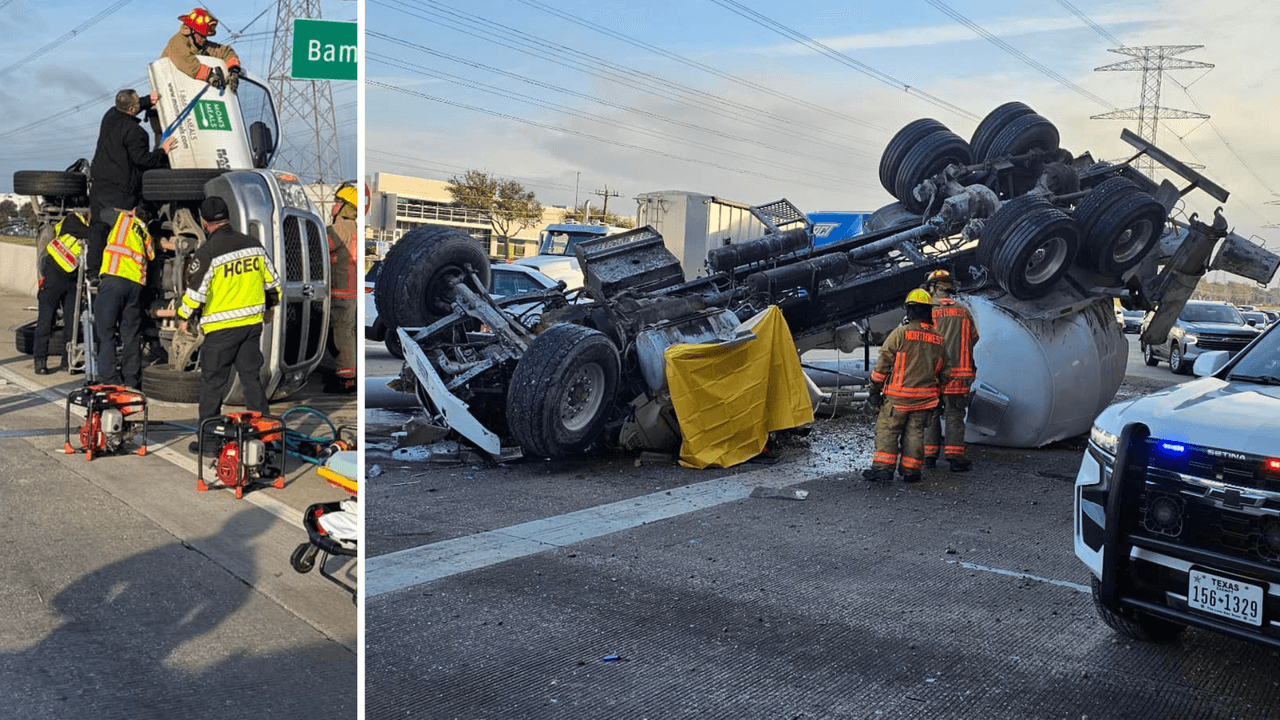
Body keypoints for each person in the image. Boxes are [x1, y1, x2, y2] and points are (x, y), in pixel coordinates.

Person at [178, 197, 281, 453]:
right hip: (251, 326)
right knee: (251, 381)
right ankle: (264, 438)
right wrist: (269, 308)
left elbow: (195, 294)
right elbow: (273, 284)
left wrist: (183, 316)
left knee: (213, 385)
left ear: (203, 222)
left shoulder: (207, 252)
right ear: (228, 218)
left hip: (221, 330)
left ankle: (209, 442)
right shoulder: (253, 245)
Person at [864, 289, 950, 483]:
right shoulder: (938, 339)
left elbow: (883, 363)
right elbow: (945, 373)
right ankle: (911, 471)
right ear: (928, 311)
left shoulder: (900, 334)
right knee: (915, 433)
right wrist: (939, 395)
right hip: (924, 399)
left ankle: (883, 469)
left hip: (898, 398)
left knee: (888, 431)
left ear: (910, 311)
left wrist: (874, 389)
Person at [88, 90, 174, 277]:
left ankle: (93, 274)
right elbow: (143, 160)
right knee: (122, 233)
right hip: (121, 192)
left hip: (99, 187)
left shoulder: (109, 117)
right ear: (132, 109)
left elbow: (128, 107)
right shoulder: (136, 132)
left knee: (98, 228)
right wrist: (162, 152)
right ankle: (118, 273)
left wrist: (146, 101)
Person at [922, 269, 980, 472]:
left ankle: (929, 456)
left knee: (931, 413)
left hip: (932, 375)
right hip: (959, 376)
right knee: (954, 415)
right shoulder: (963, 311)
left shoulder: (927, 312)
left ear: (933, 288)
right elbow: (974, 337)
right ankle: (955, 459)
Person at [94, 207, 156, 388]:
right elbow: (151, 256)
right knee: (131, 335)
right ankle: (131, 380)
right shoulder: (146, 235)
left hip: (114, 279)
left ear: (134, 211)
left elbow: (103, 212)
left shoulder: (123, 219)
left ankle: (109, 379)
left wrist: (126, 211)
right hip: (135, 286)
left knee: (106, 332)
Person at [34, 212, 89, 375]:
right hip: (53, 278)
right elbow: (85, 232)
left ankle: (67, 362)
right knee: (46, 321)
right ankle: (40, 361)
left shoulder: (85, 226)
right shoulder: (73, 219)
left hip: (72, 282)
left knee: (72, 324)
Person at [323, 184, 358, 393]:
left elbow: (318, 248)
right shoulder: (354, 229)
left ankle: (346, 378)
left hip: (340, 293)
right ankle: (347, 372)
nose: (333, 206)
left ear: (345, 207)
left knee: (341, 336)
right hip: (350, 292)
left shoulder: (338, 229)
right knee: (347, 334)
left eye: (337, 202)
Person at [162, 8, 241, 92]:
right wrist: (209, 75)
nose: (204, 39)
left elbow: (225, 52)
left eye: (205, 36)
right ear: (192, 31)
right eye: (202, 36)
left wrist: (233, 71)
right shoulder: (177, 42)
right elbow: (185, 61)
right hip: (169, 91)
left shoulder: (202, 46)